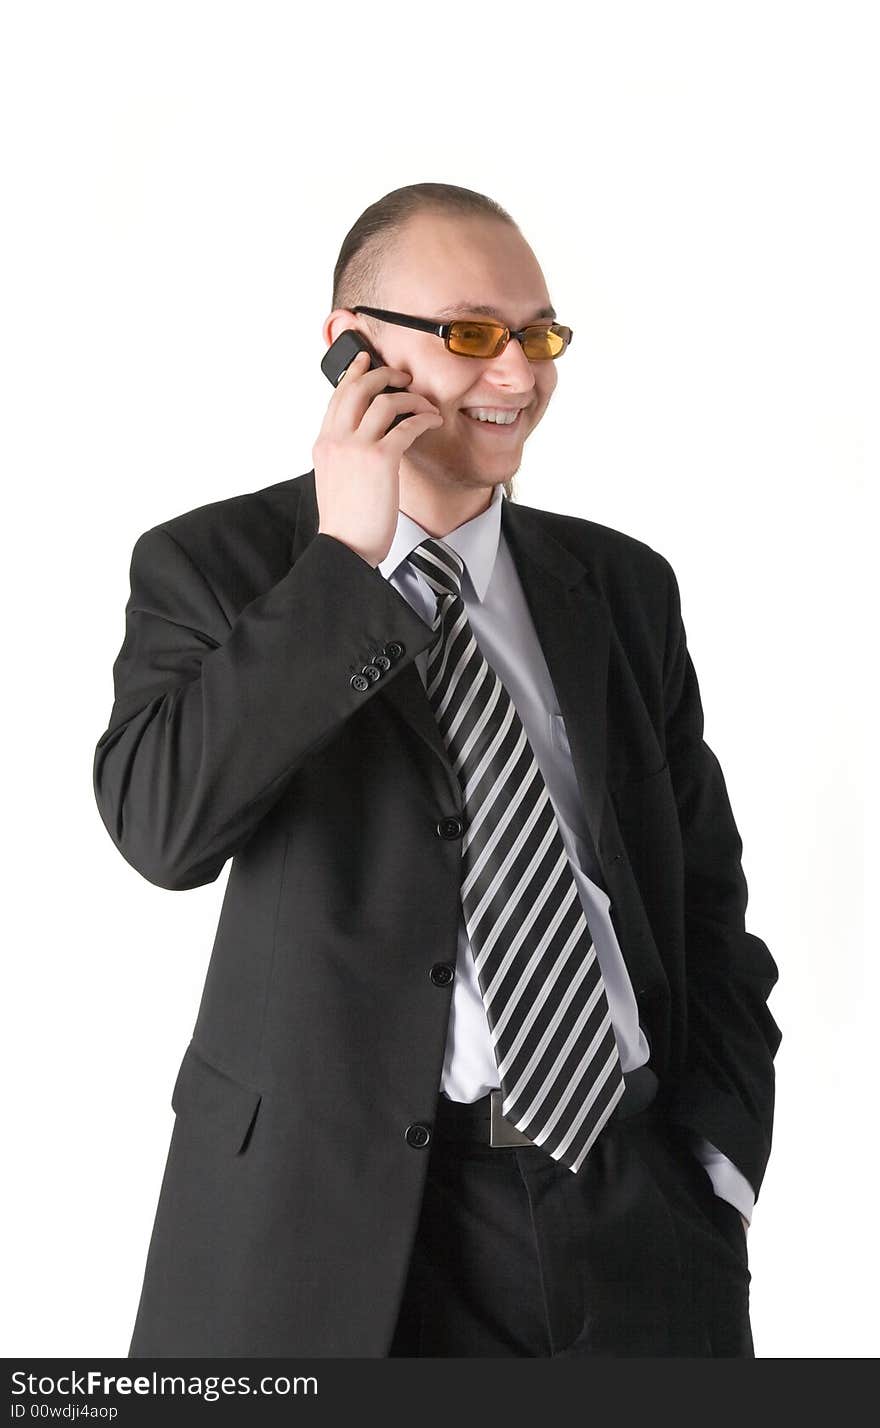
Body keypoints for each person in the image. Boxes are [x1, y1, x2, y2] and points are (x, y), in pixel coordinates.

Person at [93, 182, 781, 1358]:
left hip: (630, 1206)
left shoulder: (620, 587)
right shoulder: (214, 566)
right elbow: (163, 828)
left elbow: (704, 899)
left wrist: (713, 1158)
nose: (516, 375)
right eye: (469, 335)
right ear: (347, 347)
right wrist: (346, 563)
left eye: (538, 334)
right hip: (332, 1233)